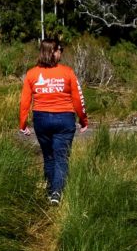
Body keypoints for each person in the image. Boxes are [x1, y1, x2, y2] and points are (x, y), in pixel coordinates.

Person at [19, 38, 89, 205]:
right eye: (60, 50)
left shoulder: (31, 74)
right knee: (61, 156)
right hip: (64, 119)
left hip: (41, 119)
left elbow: (24, 102)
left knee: (49, 156)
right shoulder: (68, 72)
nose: (61, 53)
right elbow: (78, 99)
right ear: (52, 51)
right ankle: (56, 192)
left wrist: (23, 124)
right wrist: (83, 120)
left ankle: (50, 190)